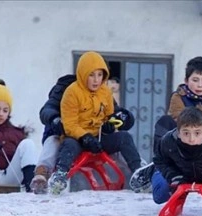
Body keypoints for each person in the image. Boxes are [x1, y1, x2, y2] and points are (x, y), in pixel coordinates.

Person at [130, 56, 202, 192]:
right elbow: (182, 122)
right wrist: (195, 132)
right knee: (165, 121)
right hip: (182, 143)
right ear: (186, 81)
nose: (200, 85)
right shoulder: (178, 96)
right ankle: (159, 163)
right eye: (195, 80)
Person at [47, 51, 143, 194]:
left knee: (124, 137)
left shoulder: (105, 92)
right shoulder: (72, 92)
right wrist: (84, 137)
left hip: (99, 139)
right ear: (83, 74)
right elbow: (69, 124)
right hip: (78, 139)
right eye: (91, 75)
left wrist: (110, 125)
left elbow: (110, 114)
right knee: (68, 144)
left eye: (99, 75)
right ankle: (60, 176)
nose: (96, 80)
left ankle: (139, 174)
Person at [31, 74, 136, 194]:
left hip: (95, 138)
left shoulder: (99, 91)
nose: (95, 80)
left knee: (121, 143)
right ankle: (42, 173)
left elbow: (114, 112)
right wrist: (56, 120)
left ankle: (142, 172)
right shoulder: (65, 88)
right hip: (64, 136)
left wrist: (118, 120)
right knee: (53, 143)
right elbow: (47, 110)